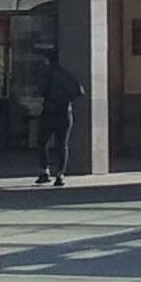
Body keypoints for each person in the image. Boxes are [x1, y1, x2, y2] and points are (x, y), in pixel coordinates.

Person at [36, 47, 83, 187]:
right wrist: (65, 99)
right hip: (65, 113)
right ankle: (60, 174)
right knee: (62, 145)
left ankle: (44, 171)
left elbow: (41, 91)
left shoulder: (47, 73)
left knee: (41, 142)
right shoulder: (65, 74)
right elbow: (79, 90)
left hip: (49, 113)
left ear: (46, 60)